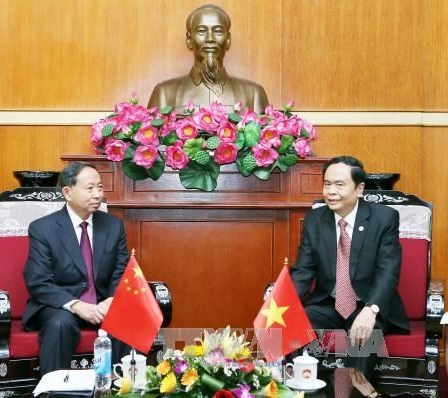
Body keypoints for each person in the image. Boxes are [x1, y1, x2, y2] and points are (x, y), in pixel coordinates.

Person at [290, 156, 409, 377]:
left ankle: (357, 391)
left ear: (359, 188)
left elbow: (388, 271)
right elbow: (304, 270)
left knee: (365, 335)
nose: (331, 191)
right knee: (294, 324)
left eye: (339, 184)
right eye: (327, 184)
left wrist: (372, 309)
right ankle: (304, 387)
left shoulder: (384, 218)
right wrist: (285, 303)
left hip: (367, 303)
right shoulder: (315, 219)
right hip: (329, 303)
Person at [22, 162, 130, 375]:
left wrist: (111, 300)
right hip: (61, 305)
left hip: (102, 304)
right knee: (60, 324)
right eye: (90, 188)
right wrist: (76, 305)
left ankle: (122, 387)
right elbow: (38, 280)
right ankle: (53, 391)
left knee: (126, 318)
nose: (98, 194)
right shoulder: (43, 228)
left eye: (100, 187)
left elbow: (122, 271)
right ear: (67, 192)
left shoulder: (113, 225)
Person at [148, 4, 269, 113]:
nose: (210, 38)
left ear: (228, 40)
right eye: (201, 31)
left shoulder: (254, 94)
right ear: (189, 40)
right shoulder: (164, 93)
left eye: (218, 31)